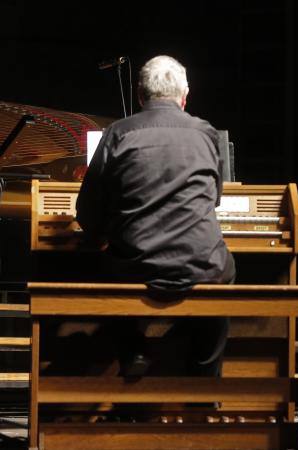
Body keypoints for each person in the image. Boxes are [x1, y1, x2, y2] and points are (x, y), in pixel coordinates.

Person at [76, 55, 235, 377]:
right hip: (200, 263)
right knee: (226, 272)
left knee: (98, 267)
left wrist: (105, 230)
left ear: (139, 94)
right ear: (185, 96)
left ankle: (134, 350)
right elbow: (215, 199)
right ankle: (203, 374)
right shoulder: (205, 133)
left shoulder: (118, 133)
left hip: (135, 263)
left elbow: (88, 211)